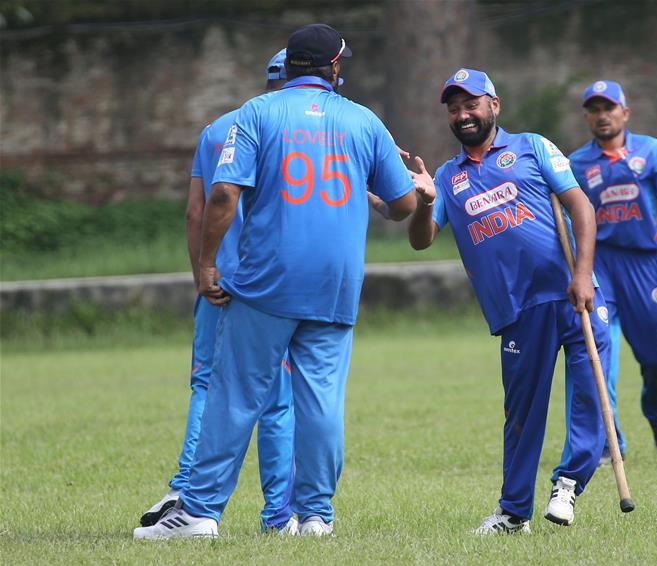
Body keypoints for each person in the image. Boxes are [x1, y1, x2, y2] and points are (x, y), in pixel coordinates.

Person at [135, 24, 417, 540]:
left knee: (236, 392)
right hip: (337, 283)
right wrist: (397, 191)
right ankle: (315, 517)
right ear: (334, 68)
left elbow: (221, 198)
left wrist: (205, 267)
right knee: (322, 401)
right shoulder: (364, 121)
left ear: (288, 68)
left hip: (269, 279)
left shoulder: (256, 113)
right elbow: (403, 207)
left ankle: (197, 513)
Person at [405, 68, 611, 534]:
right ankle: (514, 513)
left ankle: (568, 483)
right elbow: (422, 241)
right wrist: (423, 200)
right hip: (517, 313)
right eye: (454, 108)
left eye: (471, 104)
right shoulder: (447, 177)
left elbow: (581, 207)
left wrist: (582, 274)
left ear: (493, 105)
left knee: (593, 397)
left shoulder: (533, 147)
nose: (462, 115)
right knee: (520, 415)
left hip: (573, 294)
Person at [136, 50, 296, 538]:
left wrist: (201, 273)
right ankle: (280, 515)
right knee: (276, 399)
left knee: (206, 384)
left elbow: (196, 211)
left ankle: (184, 491)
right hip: (272, 282)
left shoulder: (215, 130)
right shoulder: (304, 131)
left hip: (221, 280)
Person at [567, 80, 657, 460]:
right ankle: (611, 444)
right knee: (600, 358)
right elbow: (569, 219)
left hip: (644, 264)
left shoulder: (651, 152)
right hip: (599, 267)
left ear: (624, 113)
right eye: (594, 110)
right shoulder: (577, 163)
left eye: (608, 108)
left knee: (654, 360)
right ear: (587, 118)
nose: (602, 116)